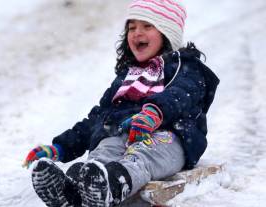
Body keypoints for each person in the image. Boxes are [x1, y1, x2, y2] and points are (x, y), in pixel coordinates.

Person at [23, 0, 220, 206]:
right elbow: (99, 117)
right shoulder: (127, 76)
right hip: (121, 135)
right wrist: (60, 147)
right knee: (102, 153)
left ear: (167, 31)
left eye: (147, 26)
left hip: (168, 136)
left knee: (142, 156)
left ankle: (111, 187)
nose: (136, 32)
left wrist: (154, 113)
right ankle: (73, 192)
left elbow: (181, 94)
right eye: (131, 27)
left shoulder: (186, 67)